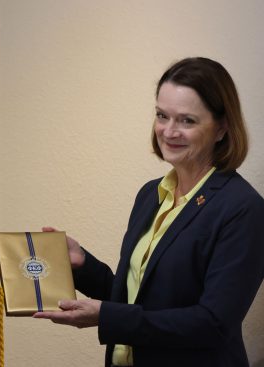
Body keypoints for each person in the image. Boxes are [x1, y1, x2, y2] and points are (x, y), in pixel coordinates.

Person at [33, 57, 264, 367]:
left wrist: (105, 317)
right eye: (162, 115)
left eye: (187, 120)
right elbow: (138, 299)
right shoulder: (151, 194)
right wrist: (82, 265)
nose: (169, 131)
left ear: (222, 128)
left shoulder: (243, 208)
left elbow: (213, 324)